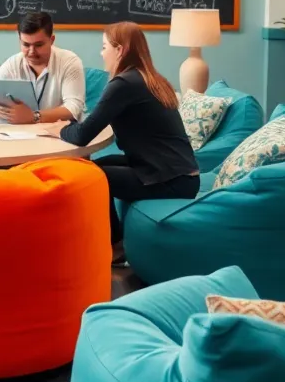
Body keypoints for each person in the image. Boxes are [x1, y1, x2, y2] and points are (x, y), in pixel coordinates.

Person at [42, 21, 199, 265]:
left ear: (120, 50)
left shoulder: (124, 84)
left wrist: (58, 129)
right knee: (94, 165)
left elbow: (83, 134)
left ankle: (114, 246)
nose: (101, 53)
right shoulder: (150, 78)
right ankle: (104, 238)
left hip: (170, 180)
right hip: (180, 173)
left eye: (105, 47)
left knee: (94, 176)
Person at [0, 11, 86, 125]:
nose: (31, 52)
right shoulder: (12, 64)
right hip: (21, 136)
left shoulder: (70, 62)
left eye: (38, 45)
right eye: (26, 45)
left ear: (52, 40)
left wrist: (34, 116)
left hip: (60, 135)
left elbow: (74, 108)